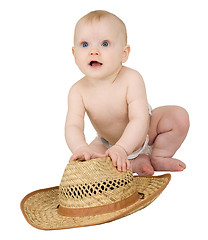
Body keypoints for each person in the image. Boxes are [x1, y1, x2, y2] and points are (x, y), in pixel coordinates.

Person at [65, 10, 190, 175]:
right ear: (74, 54)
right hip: (108, 143)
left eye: (105, 44)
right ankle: (134, 164)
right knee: (89, 168)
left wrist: (122, 148)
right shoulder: (77, 91)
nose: (93, 51)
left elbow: (139, 118)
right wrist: (81, 148)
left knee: (178, 117)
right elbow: (73, 125)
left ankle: (159, 155)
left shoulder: (131, 78)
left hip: (146, 132)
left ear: (124, 54)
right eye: (85, 44)